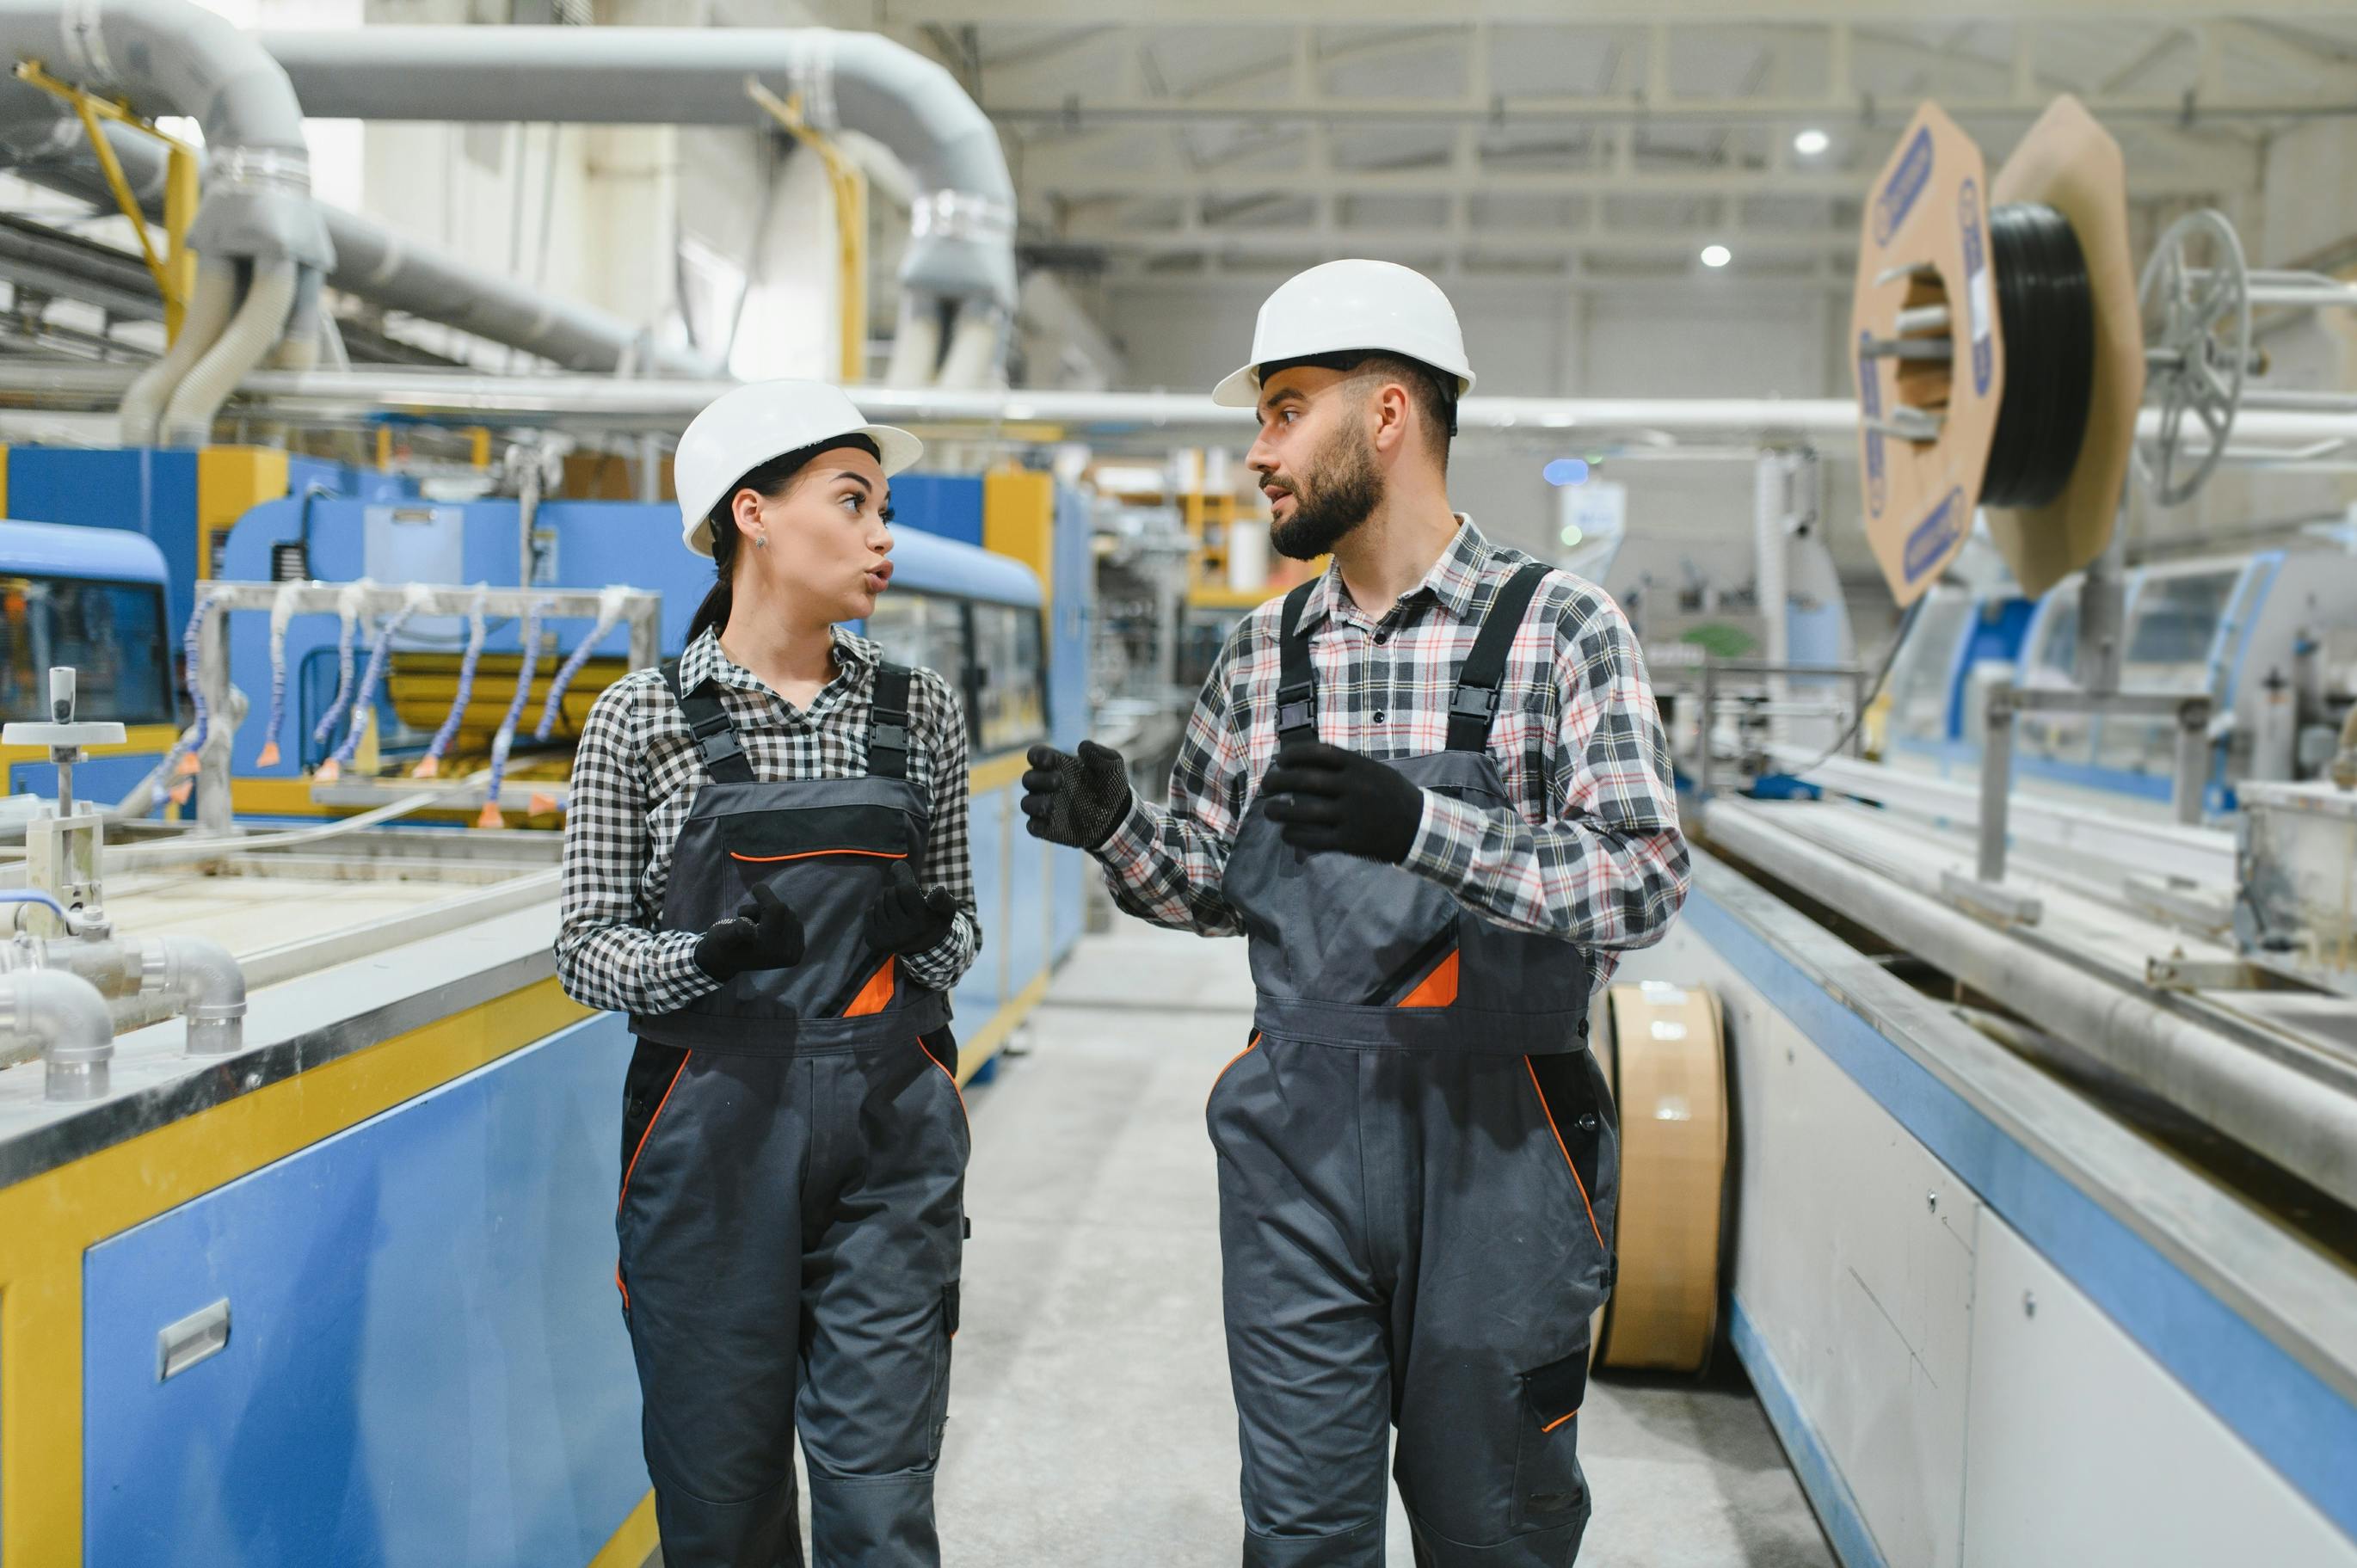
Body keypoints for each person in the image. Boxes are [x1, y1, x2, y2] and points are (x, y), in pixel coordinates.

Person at [1021, 259, 1689, 1566]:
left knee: (1494, 1523)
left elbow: (1645, 878)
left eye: (1283, 410)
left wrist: (1425, 829)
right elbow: (1214, 885)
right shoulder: (1265, 653)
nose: (1258, 455)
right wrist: (1117, 828)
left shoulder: (1561, 632)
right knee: (1302, 1531)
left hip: (1504, 1143)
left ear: (1387, 414)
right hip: (1300, 1144)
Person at [556, 379, 980, 1568]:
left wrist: (921, 932)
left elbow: (959, 939)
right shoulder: (640, 719)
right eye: (852, 503)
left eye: (883, 507)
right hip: (708, 1144)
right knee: (720, 1502)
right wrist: (702, 959)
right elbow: (584, 947)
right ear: (753, 513)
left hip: (892, 1141)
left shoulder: (919, 714)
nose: (881, 535)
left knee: (878, 1501)